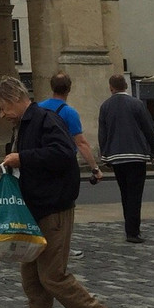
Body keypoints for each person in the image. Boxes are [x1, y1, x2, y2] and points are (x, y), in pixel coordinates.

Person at [0, 75, 108, 308]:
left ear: (14, 97)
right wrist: (4, 190)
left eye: (2, 108)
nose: (1, 115)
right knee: (32, 282)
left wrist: (22, 158)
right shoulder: (23, 125)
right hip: (34, 211)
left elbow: (64, 154)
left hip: (53, 209)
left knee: (52, 276)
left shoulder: (45, 119)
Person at [38, 72, 102, 258]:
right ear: (69, 89)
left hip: (41, 163)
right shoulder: (68, 112)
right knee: (64, 208)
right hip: (62, 166)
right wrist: (95, 168)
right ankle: (62, 246)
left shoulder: (39, 108)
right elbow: (81, 143)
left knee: (44, 206)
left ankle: (43, 241)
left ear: (52, 87)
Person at [98, 73, 154, 244]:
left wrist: (105, 155)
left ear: (111, 87)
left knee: (125, 193)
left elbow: (102, 134)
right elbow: (148, 128)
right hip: (136, 155)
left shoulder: (105, 107)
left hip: (116, 156)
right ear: (125, 86)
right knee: (135, 194)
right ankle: (133, 231)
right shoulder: (137, 104)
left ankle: (129, 227)